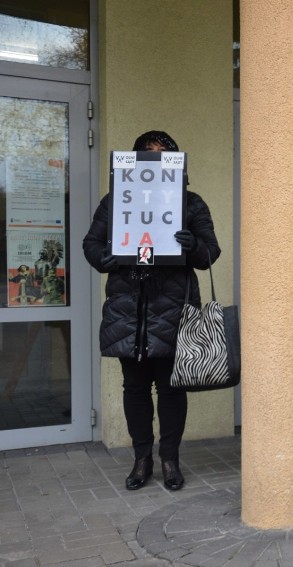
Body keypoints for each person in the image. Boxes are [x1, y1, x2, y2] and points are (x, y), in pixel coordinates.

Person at [82, 130, 221, 491]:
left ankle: (170, 459)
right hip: (129, 308)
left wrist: (192, 247)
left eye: (163, 155)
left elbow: (211, 253)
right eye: (148, 155)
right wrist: (104, 257)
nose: (155, 162)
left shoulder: (190, 203)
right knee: (135, 388)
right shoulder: (116, 201)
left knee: (172, 388)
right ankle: (141, 458)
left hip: (172, 309)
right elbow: (91, 243)